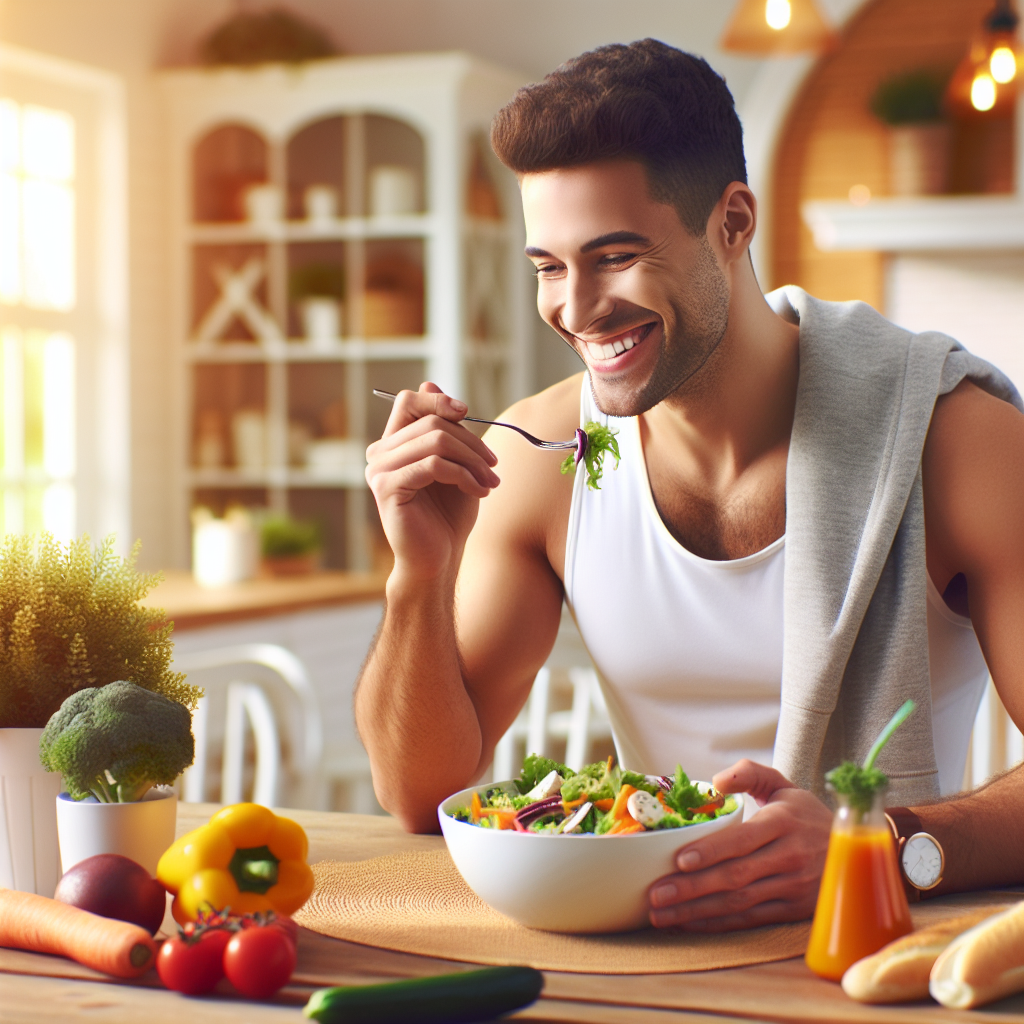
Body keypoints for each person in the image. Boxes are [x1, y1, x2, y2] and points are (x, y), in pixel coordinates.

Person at [355, 39, 1024, 930]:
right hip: (641, 942)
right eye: (549, 267)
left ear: (734, 222)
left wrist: (880, 845)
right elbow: (418, 792)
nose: (578, 309)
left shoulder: (958, 440)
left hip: (875, 941)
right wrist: (419, 573)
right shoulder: (543, 462)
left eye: (616, 255)